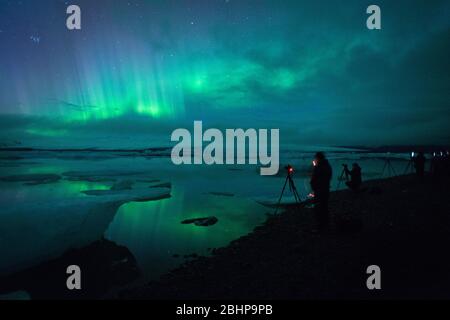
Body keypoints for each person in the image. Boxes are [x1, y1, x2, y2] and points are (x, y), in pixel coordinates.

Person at [310, 152, 332, 232]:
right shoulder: (327, 166)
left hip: (320, 190)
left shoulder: (320, 167)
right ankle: (325, 225)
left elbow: (316, 178)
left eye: (316, 158)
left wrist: (314, 186)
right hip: (324, 189)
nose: (315, 159)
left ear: (318, 158)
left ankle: (321, 226)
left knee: (319, 208)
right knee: (324, 207)